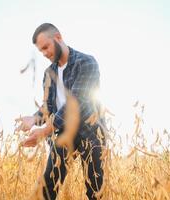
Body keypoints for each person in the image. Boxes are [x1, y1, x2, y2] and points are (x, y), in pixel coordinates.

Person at [17, 23, 106, 200]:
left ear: (58, 37)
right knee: (47, 188)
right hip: (63, 135)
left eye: (46, 47)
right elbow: (48, 108)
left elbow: (75, 104)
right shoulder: (49, 73)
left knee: (95, 191)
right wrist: (33, 119)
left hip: (91, 134)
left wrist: (43, 132)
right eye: (40, 50)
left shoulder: (86, 63)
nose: (44, 53)